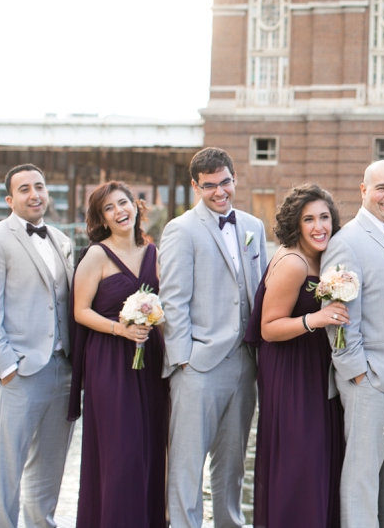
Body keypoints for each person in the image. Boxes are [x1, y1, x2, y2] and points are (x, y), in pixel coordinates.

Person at [159, 147, 268, 528]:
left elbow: (261, 290)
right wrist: (184, 360)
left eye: (225, 182)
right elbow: (172, 300)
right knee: (188, 463)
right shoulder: (181, 229)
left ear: (234, 179)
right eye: (209, 186)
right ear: (195, 186)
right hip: (199, 365)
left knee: (233, 463)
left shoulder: (254, 227)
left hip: (245, 363)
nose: (219, 192)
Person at [321, 160, 384, 528]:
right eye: (381, 188)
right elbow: (339, 317)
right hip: (371, 381)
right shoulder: (346, 242)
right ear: (363, 191)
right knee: (361, 481)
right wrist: (358, 374)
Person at [66, 181, 169, 527]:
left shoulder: (154, 254)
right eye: (109, 208)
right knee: (120, 452)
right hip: (109, 361)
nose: (119, 211)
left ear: (137, 206)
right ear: (101, 218)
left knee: (151, 447)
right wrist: (120, 328)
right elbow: (80, 310)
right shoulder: (96, 255)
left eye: (123, 203)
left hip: (148, 359)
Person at [244, 184, 347, 528]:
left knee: (319, 461)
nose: (319, 226)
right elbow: (268, 327)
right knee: (300, 460)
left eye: (324, 217)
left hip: (317, 370)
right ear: (295, 225)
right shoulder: (293, 262)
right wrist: (314, 318)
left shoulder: (324, 259)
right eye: (309, 219)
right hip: (291, 372)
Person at [0, 164, 75, 528]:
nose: (34, 194)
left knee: (50, 466)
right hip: (20, 372)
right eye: (24, 189)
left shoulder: (61, 240)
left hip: (63, 369)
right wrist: (6, 367)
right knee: (5, 467)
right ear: (10, 199)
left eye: (39, 186)